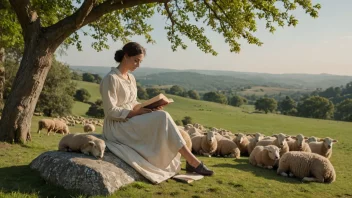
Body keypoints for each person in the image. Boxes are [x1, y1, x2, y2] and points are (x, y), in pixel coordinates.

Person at [100, 42, 214, 184]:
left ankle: (190, 161)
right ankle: (192, 161)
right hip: (117, 126)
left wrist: (148, 107)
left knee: (161, 116)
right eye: (136, 60)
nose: (138, 65)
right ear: (126, 56)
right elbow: (111, 111)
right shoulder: (111, 79)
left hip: (131, 119)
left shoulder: (131, 78)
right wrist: (137, 113)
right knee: (163, 117)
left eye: (140, 61)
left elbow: (133, 102)